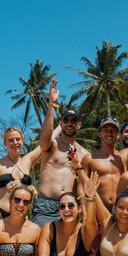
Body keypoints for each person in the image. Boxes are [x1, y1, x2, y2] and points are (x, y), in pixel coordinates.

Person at [32, 79, 89, 227]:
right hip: (46, 205)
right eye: (66, 120)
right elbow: (44, 137)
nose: (70, 123)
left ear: (79, 125)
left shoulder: (84, 154)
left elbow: (82, 185)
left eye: (73, 121)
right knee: (40, 247)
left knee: (66, 250)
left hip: (69, 207)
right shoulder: (52, 145)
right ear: (61, 123)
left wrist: (84, 209)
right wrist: (51, 105)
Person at [80, 102, 128, 211]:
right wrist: (84, 211)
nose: (109, 133)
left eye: (113, 131)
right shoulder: (89, 158)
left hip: (120, 211)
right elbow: (81, 186)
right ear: (100, 134)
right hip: (97, 210)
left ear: (118, 135)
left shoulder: (125, 155)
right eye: (106, 130)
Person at [0, 126, 51, 224]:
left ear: (22, 141)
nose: (15, 143)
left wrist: (61, 125)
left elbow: (45, 142)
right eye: (11, 140)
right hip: (0, 214)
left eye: (18, 139)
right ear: (5, 143)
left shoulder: (27, 161)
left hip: (22, 215)